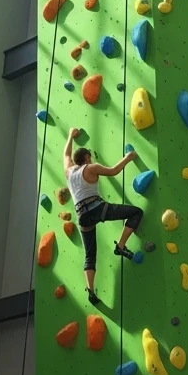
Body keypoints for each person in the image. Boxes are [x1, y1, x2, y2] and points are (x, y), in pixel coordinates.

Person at [64, 126, 142, 308]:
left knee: (90, 255)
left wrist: (70, 135)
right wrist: (128, 158)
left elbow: (66, 155)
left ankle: (90, 291)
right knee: (136, 212)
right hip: (97, 209)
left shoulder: (69, 173)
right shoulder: (91, 168)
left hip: (82, 217)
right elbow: (114, 170)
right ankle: (121, 246)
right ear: (87, 158)